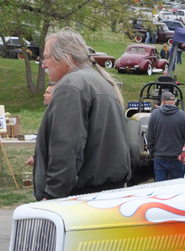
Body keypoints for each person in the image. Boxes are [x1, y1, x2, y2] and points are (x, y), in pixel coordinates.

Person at [32, 29, 131, 201]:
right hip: (103, 195)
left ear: (67, 58)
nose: (43, 64)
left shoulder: (71, 85)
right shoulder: (99, 81)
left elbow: (66, 148)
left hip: (80, 198)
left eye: (46, 57)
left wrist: (52, 195)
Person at [145, 89, 185, 181]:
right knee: (177, 187)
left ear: (163, 102)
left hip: (160, 157)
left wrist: (152, 151)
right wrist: (184, 156)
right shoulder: (183, 116)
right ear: (174, 102)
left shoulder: (155, 115)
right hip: (177, 158)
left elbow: (150, 136)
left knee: (160, 187)